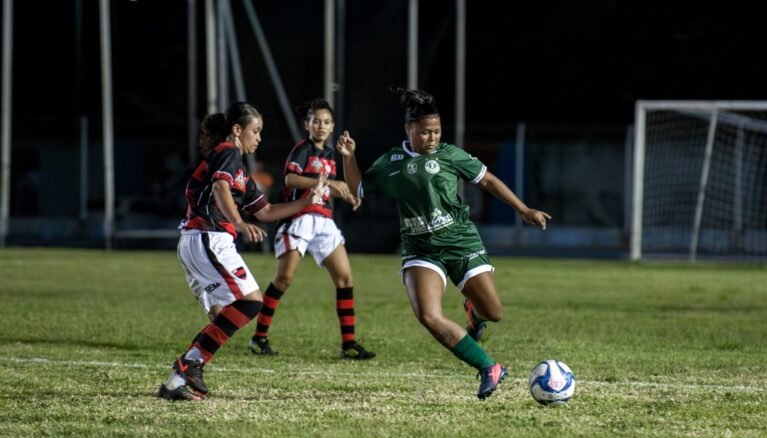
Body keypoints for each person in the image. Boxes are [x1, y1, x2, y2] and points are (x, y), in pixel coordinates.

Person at [335, 89, 550, 399]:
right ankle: (489, 367)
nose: (432, 137)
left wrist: (524, 209)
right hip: (420, 249)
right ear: (408, 129)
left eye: (436, 131)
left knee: (494, 312)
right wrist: (349, 157)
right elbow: (358, 188)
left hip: (460, 241)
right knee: (428, 315)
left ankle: (474, 314)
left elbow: (487, 180)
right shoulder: (391, 162)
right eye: (425, 131)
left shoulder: (450, 155)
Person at [157, 102, 327, 401]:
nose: (258, 138)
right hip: (208, 238)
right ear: (237, 130)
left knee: (222, 314)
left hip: (199, 242)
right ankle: (189, 363)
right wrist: (239, 222)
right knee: (250, 302)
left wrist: (308, 201)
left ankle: (174, 383)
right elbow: (221, 188)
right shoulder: (228, 151)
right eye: (255, 131)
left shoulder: (242, 174)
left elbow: (267, 211)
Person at [248, 99, 376, 360]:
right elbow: (291, 179)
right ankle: (259, 337)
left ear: (333, 127)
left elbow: (329, 189)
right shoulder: (302, 150)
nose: (321, 126)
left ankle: (348, 343)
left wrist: (347, 195)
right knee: (283, 279)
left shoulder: (331, 155)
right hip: (299, 217)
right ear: (307, 124)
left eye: (326, 122)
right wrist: (331, 183)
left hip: (324, 221)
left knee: (345, 279)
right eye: (316, 121)